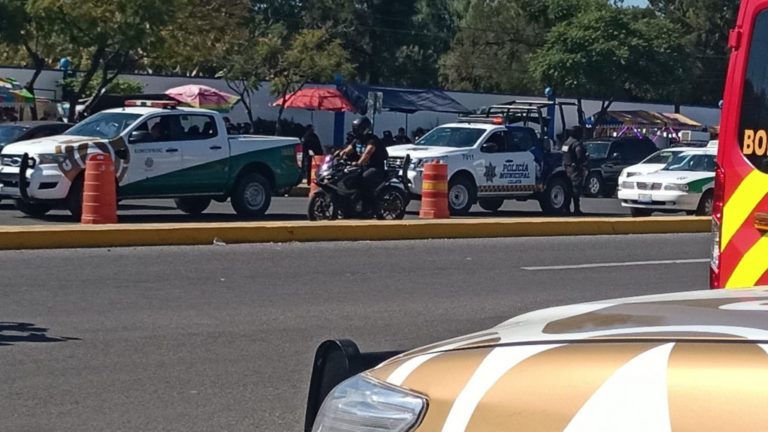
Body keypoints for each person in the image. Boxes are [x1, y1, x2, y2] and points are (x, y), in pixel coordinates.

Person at [339, 117, 388, 211]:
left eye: (358, 129)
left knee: (363, 179)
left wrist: (358, 163)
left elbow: (367, 153)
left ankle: (371, 206)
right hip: (363, 167)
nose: (356, 131)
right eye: (355, 129)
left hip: (375, 168)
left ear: (365, 129)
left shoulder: (372, 140)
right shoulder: (357, 140)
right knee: (348, 177)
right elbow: (348, 150)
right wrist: (339, 156)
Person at [562, 125, 589, 215]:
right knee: (576, 190)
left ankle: (566, 208)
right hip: (575, 169)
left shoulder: (566, 143)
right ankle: (576, 209)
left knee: (568, 189)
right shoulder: (576, 143)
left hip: (566, 168)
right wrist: (584, 161)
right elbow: (579, 155)